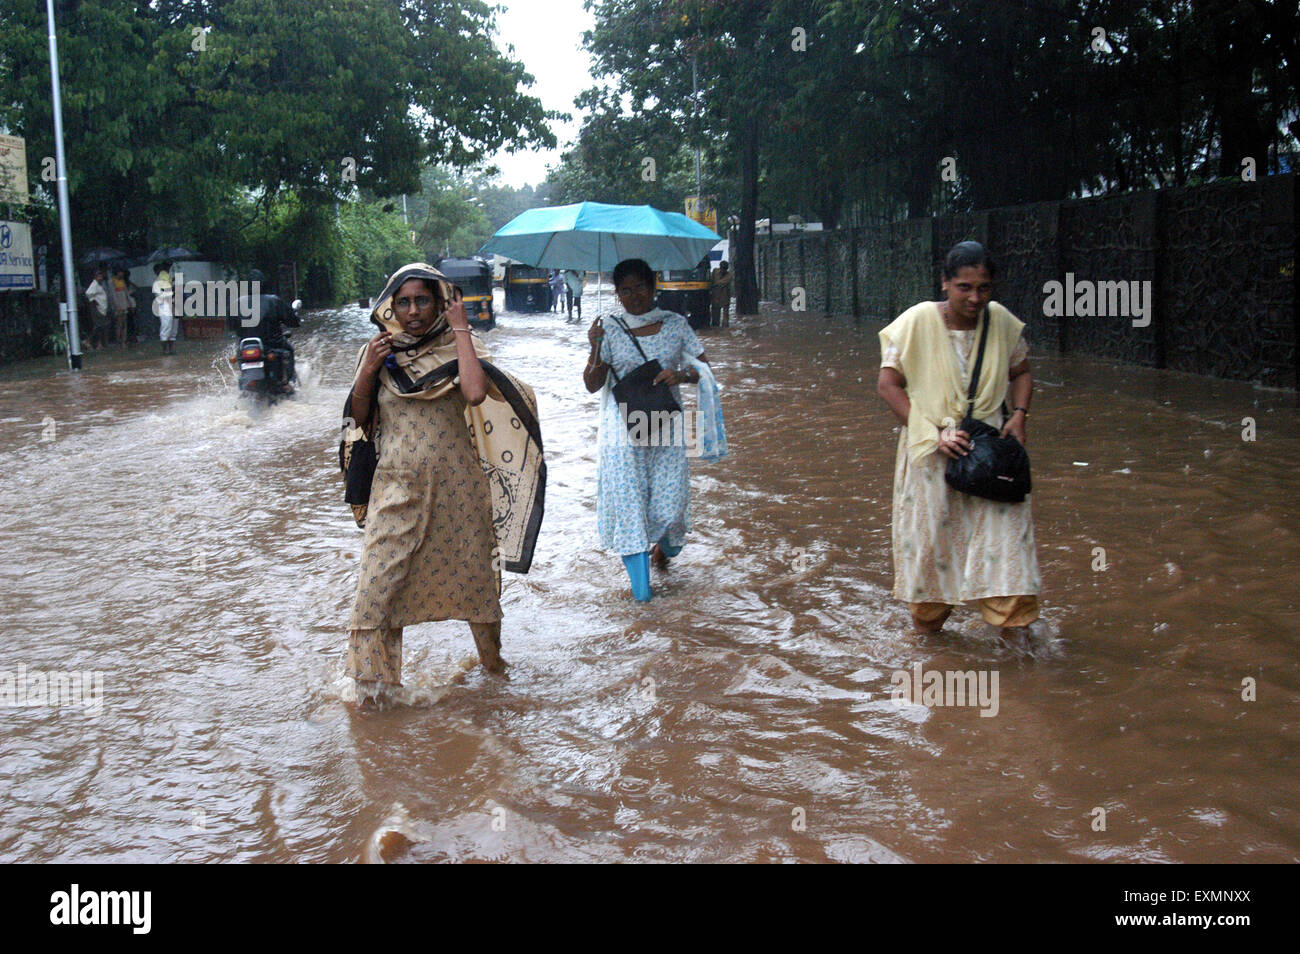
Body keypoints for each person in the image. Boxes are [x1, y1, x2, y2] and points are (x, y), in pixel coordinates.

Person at [344, 263, 545, 704]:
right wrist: (368, 371)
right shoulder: (379, 353)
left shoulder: (459, 346)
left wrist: (461, 331)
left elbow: (474, 393)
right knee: (376, 590)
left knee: (475, 585)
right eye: (404, 302)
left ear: (438, 302)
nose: (413, 310)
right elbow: (357, 419)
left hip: (460, 492)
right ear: (390, 306)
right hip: (395, 491)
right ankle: (374, 694)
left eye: (422, 300)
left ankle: (494, 672)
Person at [876, 241, 1041, 640]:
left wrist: (1018, 416)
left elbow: (1021, 372)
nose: (975, 297)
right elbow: (888, 385)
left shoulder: (1001, 322)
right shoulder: (916, 322)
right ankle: (930, 645)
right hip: (932, 456)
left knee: (1008, 550)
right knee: (933, 553)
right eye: (964, 287)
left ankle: (1017, 660)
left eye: (984, 288)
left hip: (990, 453)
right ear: (945, 283)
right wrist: (932, 434)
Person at [583, 258, 726, 601]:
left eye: (640, 287)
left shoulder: (676, 324)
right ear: (617, 293)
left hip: (666, 426)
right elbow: (591, 384)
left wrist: (681, 375)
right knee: (630, 504)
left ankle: (663, 550)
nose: (634, 296)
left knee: (670, 508)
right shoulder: (609, 328)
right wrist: (595, 347)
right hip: (623, 430)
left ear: (654, 286)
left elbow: (707, 372)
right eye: (625, 290)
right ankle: (642, 596)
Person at [234, 270, 300, 391]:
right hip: (271, 346)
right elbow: (292, 321)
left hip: (246, 347)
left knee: (239, 354)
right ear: (264, 284)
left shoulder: (237, 303)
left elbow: (232, 326)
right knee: (289, 349)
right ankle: (288, 382)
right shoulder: (273, 300)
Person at [152, 262, 177, 354]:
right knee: (166, 327)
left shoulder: (167, 280)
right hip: (165, 307)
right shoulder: (157, 283)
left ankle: (170, 349)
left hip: (171, 305)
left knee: (173, 329)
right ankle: (165, 350)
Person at [108, 268, 136, 348]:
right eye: (121, 272)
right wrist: (116, 306)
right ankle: (118, 341)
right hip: (118, 306)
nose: (122, 274)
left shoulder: (122, 281)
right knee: (119, 324)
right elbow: (112, 295)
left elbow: (126, 293)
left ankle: (124, 341)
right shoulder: (111, 281)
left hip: (125, 305)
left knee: (124, 324)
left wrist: (130, 303)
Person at [84, 269, 109, 351]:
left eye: (101, 276)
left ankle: (99, 344)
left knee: (101, 327)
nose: (100, 278)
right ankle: (88, 341)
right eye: (98, 276)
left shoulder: (99, 285)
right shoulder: (94, 284)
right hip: (97, 309)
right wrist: (94, 301)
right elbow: (88, 293)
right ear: (95, 277)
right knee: (99, 326)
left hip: (102, 308)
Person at [709, 260, 732, 327]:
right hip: (715, 297)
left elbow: (719, 283)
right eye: (722, 268)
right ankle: (715, 328)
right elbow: (711, 280)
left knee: (725, 317)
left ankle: (724, 328)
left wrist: (714, 284)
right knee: (715, 317)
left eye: (724, 269)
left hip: (725, 297)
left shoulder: (729, 276)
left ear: (726, 269)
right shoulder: (715, 271)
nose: (723, 270)